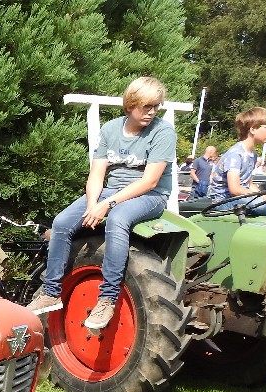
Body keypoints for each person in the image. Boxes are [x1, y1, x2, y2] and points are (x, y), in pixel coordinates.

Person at [26, 76, 177, 331]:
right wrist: (93, 203)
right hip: (112, 190)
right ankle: (51, 293)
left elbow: (150, 181)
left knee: (118, 218)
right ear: (131, 104)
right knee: (62, 223)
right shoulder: (110, 130)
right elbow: (96, 174)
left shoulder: (163, 132)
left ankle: (107, 298)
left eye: (156, 106)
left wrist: (106, 205)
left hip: (150, 196)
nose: (152, 112)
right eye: (146, 106)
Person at [206, 107, 266, 218]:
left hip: (241, 199)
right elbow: (235, 189)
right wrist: (262, 200)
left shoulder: (252, 154)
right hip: (224, 202)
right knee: (263, 207)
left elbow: (249, 184)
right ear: (253, 129)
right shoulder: (236, 154)